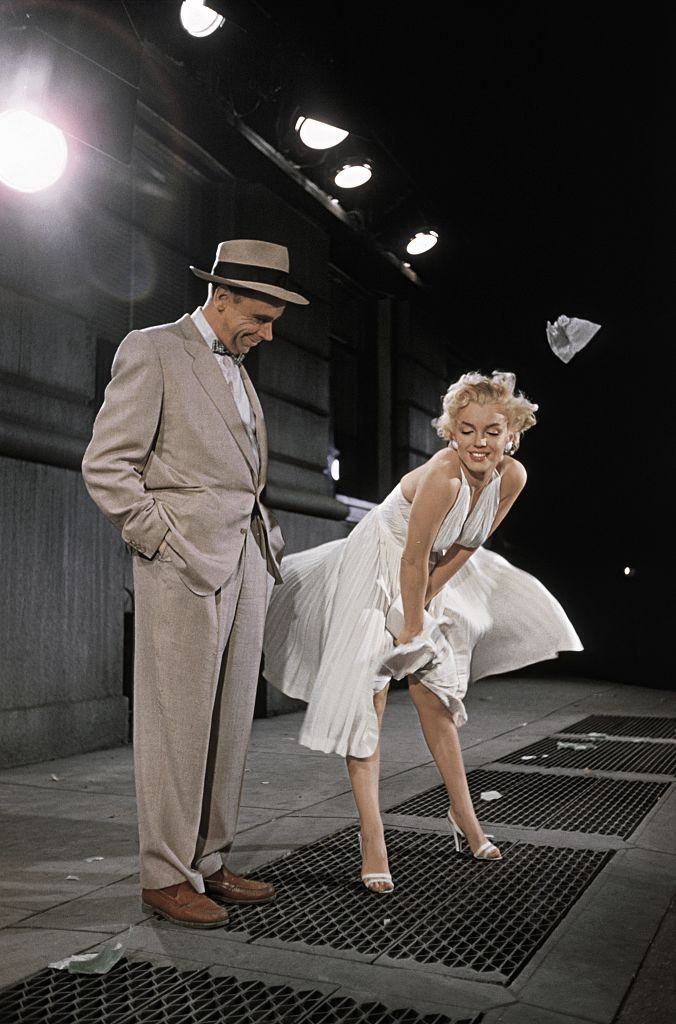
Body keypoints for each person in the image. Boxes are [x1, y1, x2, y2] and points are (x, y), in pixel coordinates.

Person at [263, 371, 582, 892]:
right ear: (451, 432)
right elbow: (409, 558)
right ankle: (372, 838)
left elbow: (467, 546)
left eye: (492, 431)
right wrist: (411, 631)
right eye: (467, 429)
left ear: (511, 434)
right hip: (378, 565)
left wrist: (428, 610)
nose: (480, 442)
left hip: (427, 572)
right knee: (372, 698)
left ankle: (465, 819)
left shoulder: (513, 478)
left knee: (435, 696)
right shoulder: (445, 478)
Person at [82, 239, 308, 926]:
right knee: (176, 725)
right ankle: (164, 875)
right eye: (262, 316)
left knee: (230, 722)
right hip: (181, 565)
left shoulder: (239, 368)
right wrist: (162, 541)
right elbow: (107, 466)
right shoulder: (151, 349)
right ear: (224, 294)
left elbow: (237, 468)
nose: (268, 333)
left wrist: (262, 534)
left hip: (242, 562)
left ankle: (208, 862)